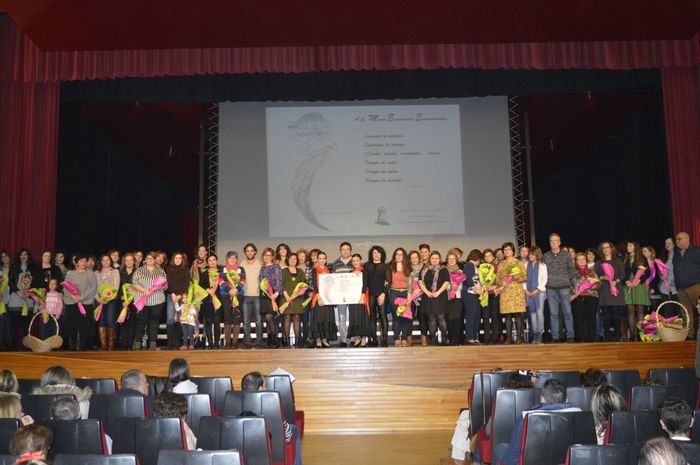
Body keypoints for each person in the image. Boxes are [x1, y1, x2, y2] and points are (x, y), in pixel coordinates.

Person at [500, 379, 581, 465]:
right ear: (566, 399)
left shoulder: (526, 417)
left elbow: (511, 458)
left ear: (542, 398)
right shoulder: (580, 414)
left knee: (500, 449)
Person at [241, 371, 302, 465]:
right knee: (295, 430)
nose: (267, 388)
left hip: (243, 452)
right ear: (260, 388)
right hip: (274, 450)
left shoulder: (233, 400)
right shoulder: (273, 403)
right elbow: (287, 436)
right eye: (265, 385)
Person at [543, 233, 576, 342]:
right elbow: (543, 273)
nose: (553, 243)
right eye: (551, 241)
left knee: (567, 312)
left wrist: (573, 285)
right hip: (551, 288)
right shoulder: (545, 256)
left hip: (564, 287)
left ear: (560, 242)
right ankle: (555, 337)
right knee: (553, 314)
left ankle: (570, 335)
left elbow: (571, 270)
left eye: (556, 240)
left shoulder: (566, 255)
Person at [131, 252, 168, 350]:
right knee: (140, 322)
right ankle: (138, 342)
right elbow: (134, 284)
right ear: (145, 260)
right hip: (141, 300)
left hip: (157, 301)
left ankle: (153, 343)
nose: (150, 260)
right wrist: (145, 291)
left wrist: (159, 286)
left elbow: (165, 285)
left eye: (152, 258)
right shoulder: (139, 270)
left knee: (154, 322)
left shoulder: (160, 271)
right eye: (148, 258)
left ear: (155, 260)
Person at [62, 254, 98, 351]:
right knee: (72, 325)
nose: (83, 263)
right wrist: (72, 296)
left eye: (85, 261)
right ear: (76, 262)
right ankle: (72, 345)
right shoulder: (70, 274)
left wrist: (81, 297)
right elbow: (65, 287)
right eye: (81, 261)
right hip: (72, 303)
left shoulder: (91, 274)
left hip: (85, 304)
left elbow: (93, 289)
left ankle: (82, 346)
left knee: (84, 326)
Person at [595, 242, 626, 342]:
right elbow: (596, 276)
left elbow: (622, 275)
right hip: (604, 290)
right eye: (603, 248)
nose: (605, 249)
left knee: (617, 315)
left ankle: (617, 336)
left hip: (616, 290)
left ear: (611, 249)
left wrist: (615, 281)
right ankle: (607, 336)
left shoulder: (618, 261)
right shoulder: (599, 262)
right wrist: (602, 277)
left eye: (607, 247)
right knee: (606, 316)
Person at [497, 242, 527, 344]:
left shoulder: (519, 263)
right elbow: (497, 280)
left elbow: (524, 278)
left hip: (516, 291)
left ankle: (519, 337)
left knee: (518, 314)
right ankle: (509, 338)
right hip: (505, 292)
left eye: (509, 249)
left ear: (513, 251)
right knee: (507, 315)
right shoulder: (501, 264)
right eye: (505, 249)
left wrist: (516, 277)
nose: (507, 251)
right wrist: (503, 282)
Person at [8, 248, 37, 350]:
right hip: (15, 299)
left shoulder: (33, 267)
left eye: (25, 254)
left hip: (28, 300)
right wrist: (18, 291)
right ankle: (12, 349)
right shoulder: (14, 266)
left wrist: (29, 292)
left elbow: (36, 282)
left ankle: (27, 349)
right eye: (21, 254)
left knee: (26, 327)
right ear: (19, 256)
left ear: (28, 256)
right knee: (13, 327)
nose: (23, 256)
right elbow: (10, 281)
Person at [419, 251, 450, 345]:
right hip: (427, 296)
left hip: (440, 296)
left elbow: (446, 282)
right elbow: (420, 281)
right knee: (431, 318)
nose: (434, 260)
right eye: (432, 258)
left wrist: (437, 293)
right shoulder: (425, 269)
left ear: (439, 259)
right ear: (429, 259)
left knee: (441, 317)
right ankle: (433, 339)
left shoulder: (443, 269)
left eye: (437, 258)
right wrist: (426, 292)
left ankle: (444, 338)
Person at [673, 232, 700, 340]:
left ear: (687, 239)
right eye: (676, 239)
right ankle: (689, 335)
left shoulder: (696, 251)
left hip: (695, 286)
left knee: (699, 310)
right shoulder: (676, 255)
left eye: (679, 239)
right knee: (685, 313)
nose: (677, 241)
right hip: (681, 288)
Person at [308, 252, 337, 348]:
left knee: (327, 319)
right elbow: (315, 285)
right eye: (320, 258)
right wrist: (319, 297)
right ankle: (318, 339)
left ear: (326, 259)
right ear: (317, 259)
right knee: (319, 319)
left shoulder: (329, 270)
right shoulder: (314, 270)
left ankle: (325, 339)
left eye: (324, 258)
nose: (322, 260)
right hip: (319, 298)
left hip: (328, 299)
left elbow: (332, 285)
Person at [623, 242, 650, 341]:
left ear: (635, 247)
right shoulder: (625, 258)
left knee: (640, 310)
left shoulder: (642, 258)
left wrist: (639, 281)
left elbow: (648, 273)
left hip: (638, 286)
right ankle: (632, 334)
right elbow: (622, 273)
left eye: (630, 245)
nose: (628, 247)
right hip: (628, 285)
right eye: (627, 245)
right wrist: (626, 281)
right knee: (630, 310)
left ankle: (640, 334)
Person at [387, 248, 414, 346]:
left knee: (405, 317)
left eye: (401, 254)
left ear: (404, 256)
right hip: (394, 293)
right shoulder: (389, 267)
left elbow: (410, 283)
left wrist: (409, 293)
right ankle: (396, 339)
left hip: (405, 293)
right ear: (394, 256)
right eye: (397, 254)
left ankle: (404, 339)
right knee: (396, 317)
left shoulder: (408, 267)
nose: (399, 256)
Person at [571, 252, 600, 342]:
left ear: (586, 261)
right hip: (577, 297)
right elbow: (569, 284)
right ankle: (579, 337)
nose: (581, 261)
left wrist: (588, 286)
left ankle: (590, 338)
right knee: (578, 318)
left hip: (591, 296)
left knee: (590, 318)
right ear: (576, 261)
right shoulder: (572, 272)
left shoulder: (592, 272)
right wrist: (574, 291)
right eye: (579, 259)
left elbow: (598, 284)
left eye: (583, 259)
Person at [95, 254, 121, 351]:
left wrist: (107, 299)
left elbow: (116, 286)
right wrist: (98, 298)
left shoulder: (115, 271)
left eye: (107, 260)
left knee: (110, 320)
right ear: (100, 262)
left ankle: (111, 345)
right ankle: (103, 345)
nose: (105, 262)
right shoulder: (96, 273)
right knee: (101, 321)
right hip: (99, 300)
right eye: (103, 260)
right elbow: (94, 287)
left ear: (111, 261)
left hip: (111, 300)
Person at [364, 245, 389, 347]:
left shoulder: (386, 266)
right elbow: (364, 282)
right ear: (371, 254)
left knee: (383, 316)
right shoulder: (367, 265)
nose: (376, 255)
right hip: (370, 294)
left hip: (382, 294)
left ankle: (384, 339)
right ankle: (373, 339)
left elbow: (389, 282)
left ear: (381, 254)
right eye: (374, 253)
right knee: (372, 317)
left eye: (378, 253)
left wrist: (383, 294)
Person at [347, 253, 373, 347]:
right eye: (353, 261)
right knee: (355, 317)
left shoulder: (364, 271)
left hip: (362, 297)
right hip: (353, 298)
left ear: (360, 261)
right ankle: (358, 337)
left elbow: (365, 284)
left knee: (363, 317)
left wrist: (362, 296)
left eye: (357, 260)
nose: (355, 262)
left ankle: (364, 338)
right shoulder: (350, 272)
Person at [221, 251, 245, 349]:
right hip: (226, 295)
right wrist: (229, 290)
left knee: (237, 317)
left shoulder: (241, 269)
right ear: (227, 259)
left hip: (238, 295)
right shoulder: (223, 269)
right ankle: (227, 342)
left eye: (234, 257)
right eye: (230, 257)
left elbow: (243, 280)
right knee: (227, 317)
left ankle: (235, 342)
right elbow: (221, 281)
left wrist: (236, 289)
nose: (232, 259)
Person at [281, 253, 305, 348]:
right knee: (287, 318)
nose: (293, 260)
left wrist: (302, 291)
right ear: (287, 260)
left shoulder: (301, 271)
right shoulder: (283, 271)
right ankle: (286, 340)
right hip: (285, 298)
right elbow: (281, 284)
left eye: (295, 259)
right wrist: (287, 296)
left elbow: (303, 284)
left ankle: (298, 340)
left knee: (297, 318)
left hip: (297, 299)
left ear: (297, 260)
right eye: (291, 259)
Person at [332, 242, 354, 347]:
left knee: (354, 317)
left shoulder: (355, 262)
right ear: (340, 251)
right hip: (340, 296)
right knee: (342, 318)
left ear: (350, 251)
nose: (345, 251)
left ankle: (354, 339)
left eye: (347, 249)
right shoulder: (335, 263)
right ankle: (344, 340)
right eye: (343, 249)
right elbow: (332, 280)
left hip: (353, 295)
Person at [259, 247, 282, 348]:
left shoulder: (276, 267)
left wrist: (275, 294)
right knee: (267, 318)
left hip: (274, 295)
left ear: (272, 256)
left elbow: (279, 281)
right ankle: (270, 340)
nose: (266, 257)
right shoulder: (262, 267)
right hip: (264, 296)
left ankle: (275, 341)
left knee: (270, 317)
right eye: (265, 255)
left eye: (269, 255)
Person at [241, 243, 263, 348]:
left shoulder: (260, 264)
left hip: (257, 296)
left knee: (259, 321)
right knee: (246, 322)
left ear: (255, 251)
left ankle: (259, 342)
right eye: (247, 251)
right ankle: (247, 343)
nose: (249, 252)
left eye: (251, 250)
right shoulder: (241, 264)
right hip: (245, 296)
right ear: (245, 252)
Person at [524, 246, 547, 344]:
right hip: (528, 293)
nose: (530, 256)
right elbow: (523, 279)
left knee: (539, 313)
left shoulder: (542, 265)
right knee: (532, 313)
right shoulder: (525, 265)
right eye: (530, 254)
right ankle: (534, 332)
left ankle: (539, 333)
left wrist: (537, 290)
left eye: (532, 254)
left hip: (539, 292)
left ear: (537, 255)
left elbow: (544, 279)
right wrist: (525, 290)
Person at [408, 250, 429, 346]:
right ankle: (409, 339)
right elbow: (406, 283)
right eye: (412, 258)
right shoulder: (407, 269)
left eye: (416, 257)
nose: (414, 259)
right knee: (409, 319)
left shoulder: (425, 268)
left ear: (419, 258)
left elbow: (427, 281)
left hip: (423, 296)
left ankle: (424, 338)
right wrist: (412, 295)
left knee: (422, 319)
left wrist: (420, 289)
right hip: (410, 297)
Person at [462, 249, 483, 345]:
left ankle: (474, 336)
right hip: (470, 294)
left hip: (475, 294)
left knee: (476, 316)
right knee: (471, 316)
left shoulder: (473, 267)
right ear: (477, 258)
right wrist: (479, 291)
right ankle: (469, 337)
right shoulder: (469, 265)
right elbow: (470, 282)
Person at [480, 249, 501, 344]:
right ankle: (487, 338)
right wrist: (483, 286)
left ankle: (495, 338)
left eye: (489, 256)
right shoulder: (481, 267)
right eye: (486, 256)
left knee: (494, 316)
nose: (488, 257)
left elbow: (500, 281)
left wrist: (492, 286)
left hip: (494, 295)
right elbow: (479, 280)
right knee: (485, 316)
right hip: (485, 295)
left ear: (493, 257)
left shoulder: (497, 267)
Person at [118, 253, 137, 350]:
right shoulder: (119, 272)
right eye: (126, 260)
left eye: (131, 260)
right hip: (122, 301)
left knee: (132, 322)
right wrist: (122, 297)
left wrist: (135, 292)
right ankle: (124, 344)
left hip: (134, 301)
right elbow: (117, 286)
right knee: (123, 322)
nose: (129, 262)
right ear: (124, 262)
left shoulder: (138, 272)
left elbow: (140, 285)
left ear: (134, 261)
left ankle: (130, 344)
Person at [445, 252, 465, 345]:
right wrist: (450, 287)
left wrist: (457, 287)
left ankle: (458, 339)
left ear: (456, 260)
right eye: (449, 259)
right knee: (449, 318)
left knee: (458, 318)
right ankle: (451, 339)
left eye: (453, 259)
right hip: (447, 297)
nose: (452, 260)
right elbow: (441, 284)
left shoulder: (460, 271)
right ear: (447, 260)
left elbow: (463, 285)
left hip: (458, 297)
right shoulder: (444, 271)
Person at [0, 250, 11, 350]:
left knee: (9, 325)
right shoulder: (0, 270)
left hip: (12, 301)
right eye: (2, 257)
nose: (5, 259)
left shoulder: (15, 268)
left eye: (6, 256)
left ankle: (8, 346)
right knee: (1, 324)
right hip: (2, 301)